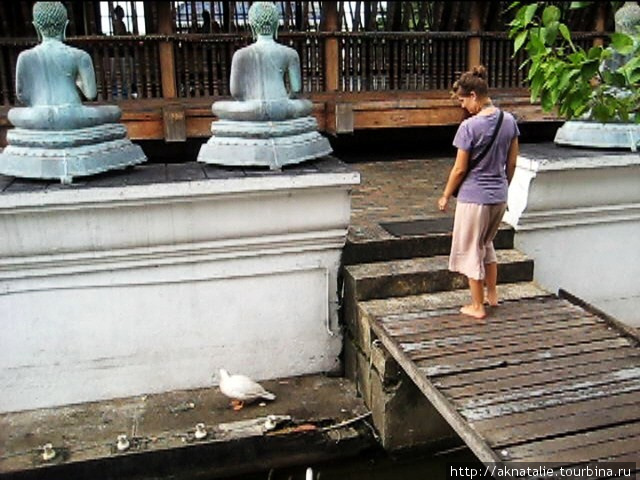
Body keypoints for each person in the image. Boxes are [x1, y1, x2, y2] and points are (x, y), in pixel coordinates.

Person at [437, 65, 520, 320]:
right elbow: (513, 162)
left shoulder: (469, 127)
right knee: (486, 245)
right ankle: (492, 295)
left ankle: (477, 305)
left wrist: (445, 195)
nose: (463, 106)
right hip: (499, 196)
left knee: (471, 249)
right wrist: (503, 186)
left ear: (474, 95)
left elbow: (460, 169)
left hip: (474, 198)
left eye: (463, 100)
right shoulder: (509, 120)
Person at [8, 1, 121, 130]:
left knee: (13, 114)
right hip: (74, 113)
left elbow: (22, 95)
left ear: (36, 27)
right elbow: (90, 94)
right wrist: (77, 82)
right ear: (65, 26)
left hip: (39, 116)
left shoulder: (25, 57)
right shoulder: (80, 56)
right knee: (114, 110)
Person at [212, 1, 312, 121]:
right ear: (275, 25)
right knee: (307, 105)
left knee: (217, 106)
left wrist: (248, 102)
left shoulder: (240, 55)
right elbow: (295, 90)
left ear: (253, 26)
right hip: (282, 106)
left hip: (252, 107)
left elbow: (236, 92)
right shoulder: (290, 53)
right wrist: (286, 101)